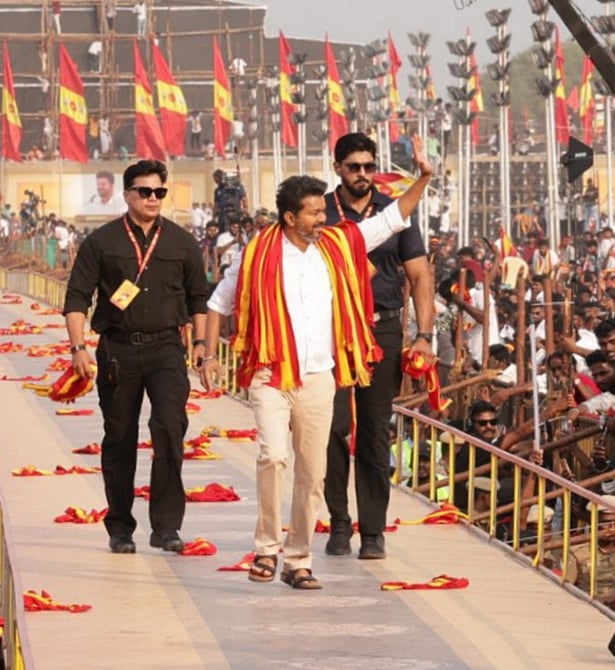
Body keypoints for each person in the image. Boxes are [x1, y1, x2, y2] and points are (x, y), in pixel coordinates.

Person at [200, 135, 432, 591]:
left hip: (320, 376)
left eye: (323, 213)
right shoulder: (256, 253)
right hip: (269, 373)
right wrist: (209, 355)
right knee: (272, 456)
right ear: (291, 218)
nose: (323, 219)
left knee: (313, 471)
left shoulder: (339, 244)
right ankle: (266, 548)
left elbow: (394, 217)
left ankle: (298, 558)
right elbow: (217, 303)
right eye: (314, 213)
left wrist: (423, 177)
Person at [63, 159, 209, 555]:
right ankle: (120, 526)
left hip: (166, 348)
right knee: (120, 438)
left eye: (159, 192)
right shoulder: (103, 242)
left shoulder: (181, 242)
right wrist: (77, 348)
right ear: (127, 195)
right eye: (144, 192)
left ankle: (166, 527)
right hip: (118, 349)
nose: (152, 199)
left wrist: (201, 346)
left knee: (170, 430)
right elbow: (77, 298)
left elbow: (200, 298)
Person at [322, 132, 435, 559]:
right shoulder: (322, 213)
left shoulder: (394, 212)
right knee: (332, 428)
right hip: (333, 333)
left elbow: (421, 276)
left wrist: (423, 336)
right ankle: (337, 523)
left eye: (370, 167)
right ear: (338, 168)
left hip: (382, 329)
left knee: (373, 431)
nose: (364, 175)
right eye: (355, 167)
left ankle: (372, 531)